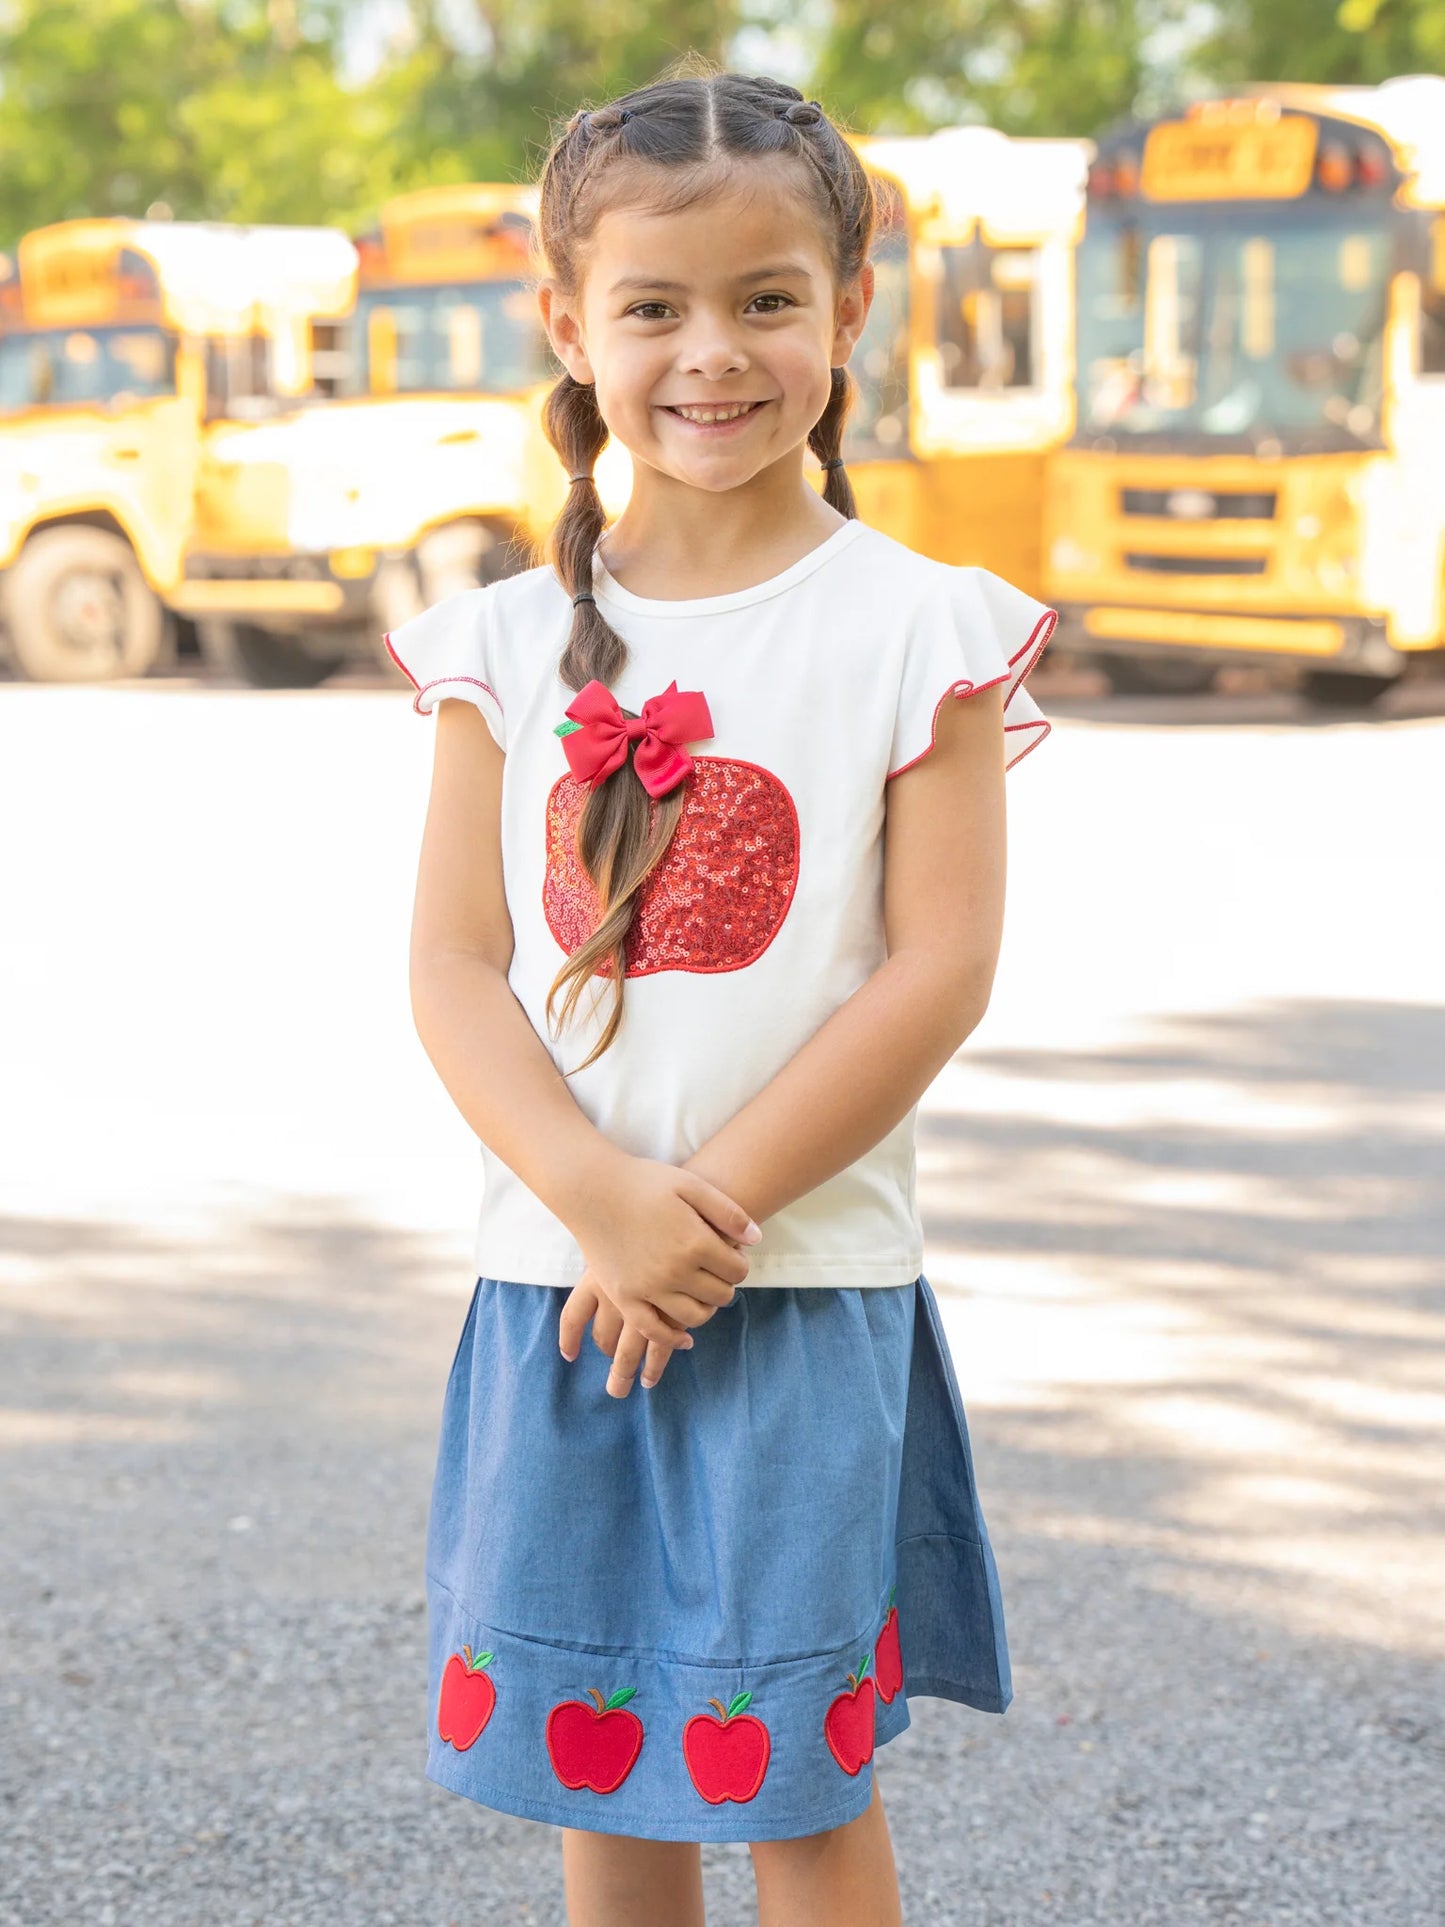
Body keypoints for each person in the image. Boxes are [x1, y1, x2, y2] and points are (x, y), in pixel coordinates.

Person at [384, 66, 1055, 1927]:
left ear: (850, 309)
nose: (713, 354)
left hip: (799, 1289)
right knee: (608, 1771)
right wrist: (599, 1203)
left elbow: (941, 965)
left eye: (768, 300)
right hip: (562, 1288)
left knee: (795, 1783)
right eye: (654, 307)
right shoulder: (498, 648)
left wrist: (707, 1214)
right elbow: (450, 964)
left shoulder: (925, 629)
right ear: (566, 321)